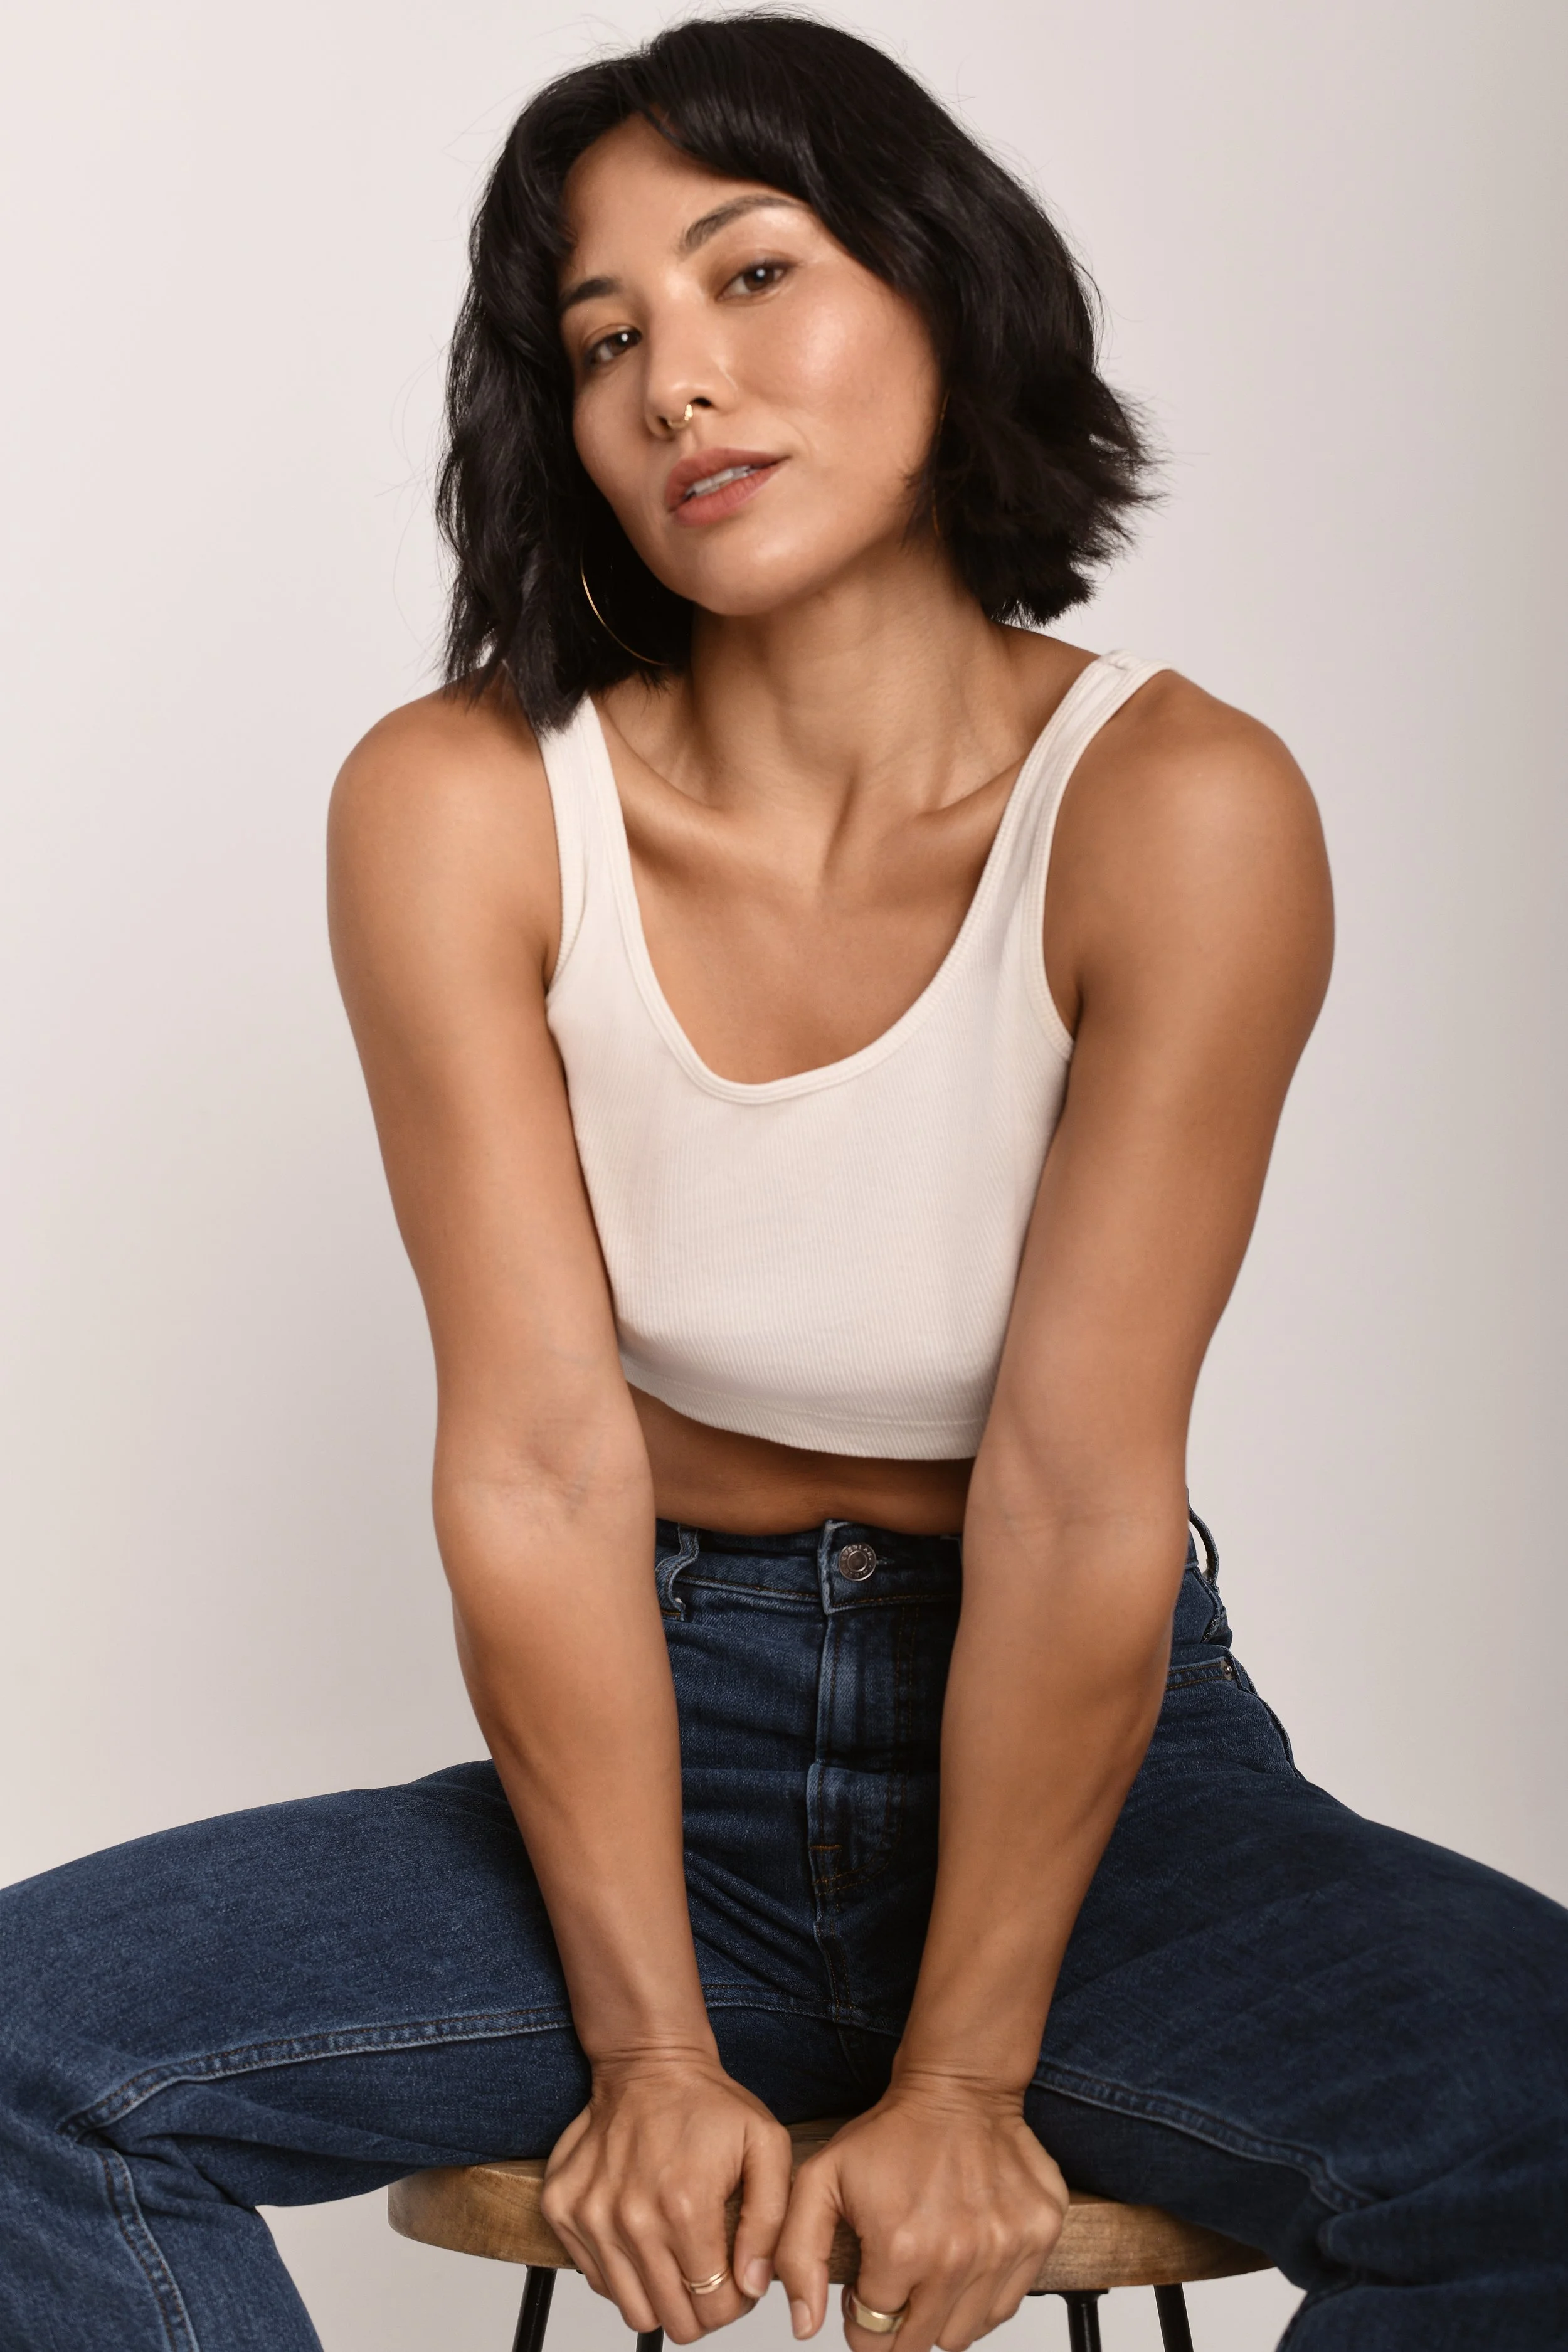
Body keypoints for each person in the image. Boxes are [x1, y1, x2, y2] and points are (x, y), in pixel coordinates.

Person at [1, 18, 1564, 2351]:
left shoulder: (1181, 807)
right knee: (34, 2055)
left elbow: (1068, 1483)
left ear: (943, 292)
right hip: (656, 1748)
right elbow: (534, 1455)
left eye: (750, 276)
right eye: (603, 337)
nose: (673, 384)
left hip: (1090, 1775)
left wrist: (960, 2072)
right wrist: (644, 2042)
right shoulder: (460, 799)